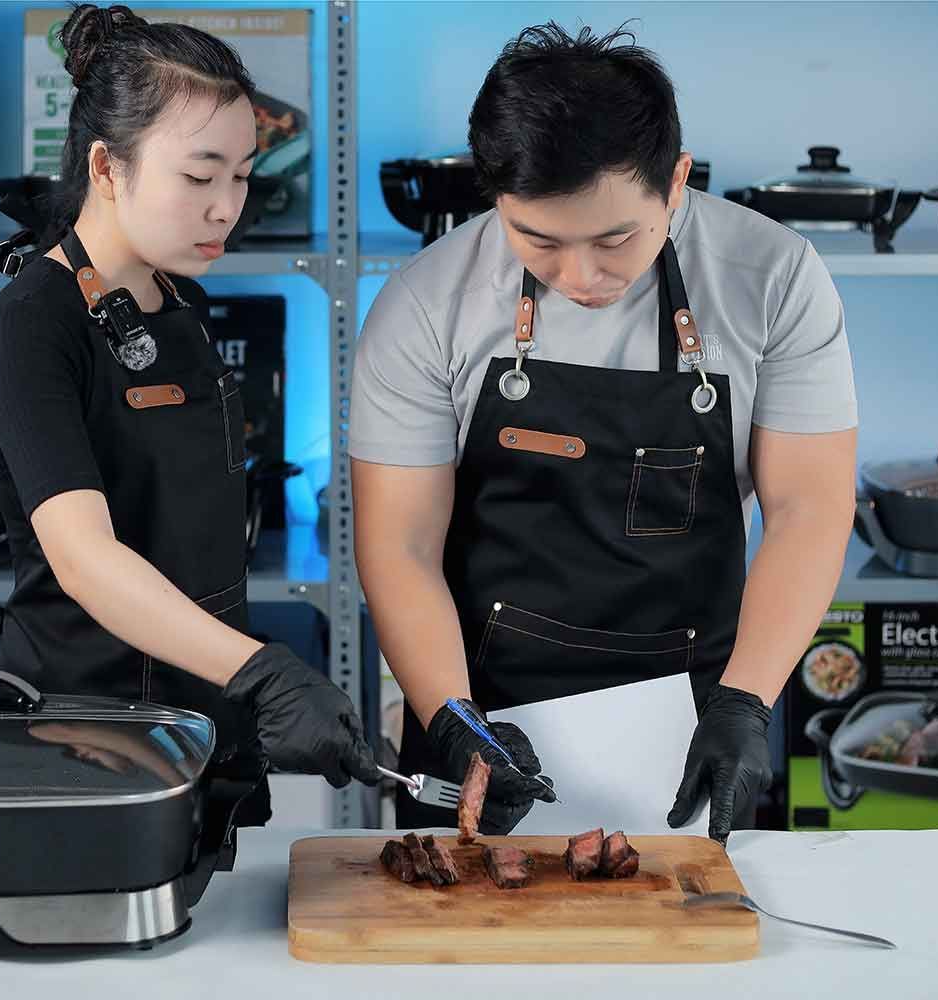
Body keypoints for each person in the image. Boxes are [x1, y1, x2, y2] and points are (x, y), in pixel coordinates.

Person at [350, 23, 858, 842]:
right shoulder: (424, 303)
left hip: (703, 702)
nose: (581, 277)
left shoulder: (774, 278)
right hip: (482, 700)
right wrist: (454, 718)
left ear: (677, 180)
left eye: (617, 237)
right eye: (539, 240)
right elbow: (399, 544)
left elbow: (810, 508)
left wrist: (745, 702)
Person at [0, 4, 378, 826]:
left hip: (213, 722)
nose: (228, 206)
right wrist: (265, 672)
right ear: (107, 166)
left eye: (241, 175)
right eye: (199, 177)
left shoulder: (182, 301)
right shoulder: (31, 326)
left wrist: (247, 691)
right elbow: (85, 561)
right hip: (92, 741)